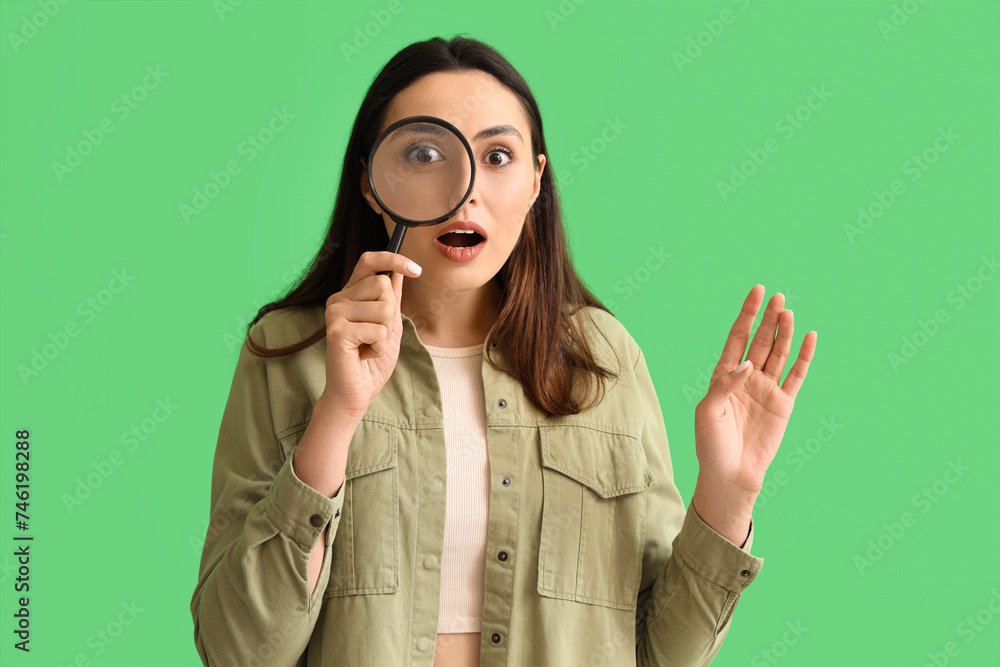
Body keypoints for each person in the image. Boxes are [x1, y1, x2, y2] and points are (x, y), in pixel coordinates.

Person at [190, 35, 817, 667]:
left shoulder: (604, 358)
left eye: (496, 156)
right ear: (371, 181)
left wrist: (729, 492)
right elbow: (239, 652)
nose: (464, 191)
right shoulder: (286, 352)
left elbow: (662, 654)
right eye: (425, 153)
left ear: (537, 182)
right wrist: (338, 412)